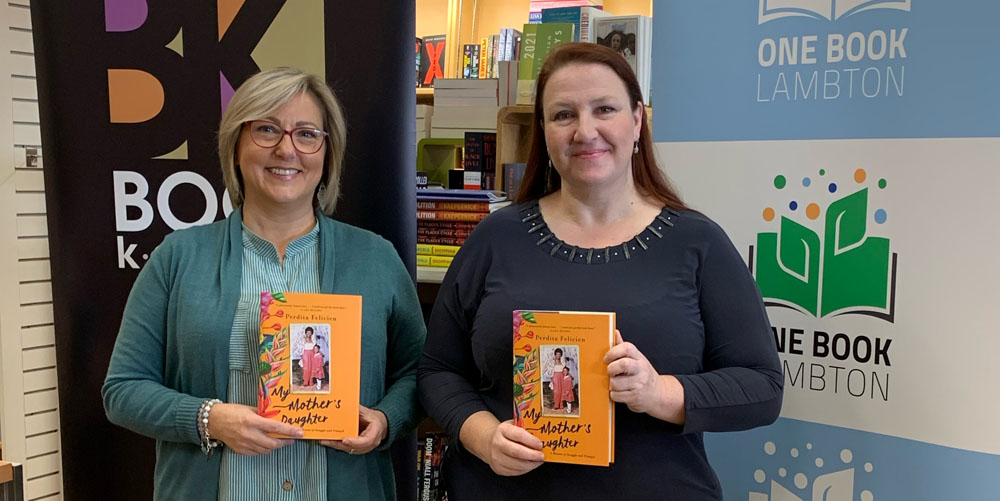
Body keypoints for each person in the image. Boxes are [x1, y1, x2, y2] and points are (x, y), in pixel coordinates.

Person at [418, 42, 782, 500]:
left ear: (637, 121)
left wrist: (660, 392)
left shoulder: (697, 243)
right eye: (563, 115)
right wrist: (483, 437)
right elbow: (437, 370)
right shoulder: (495, 237)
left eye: (604, 109)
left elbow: (762, 387)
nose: (584, 131)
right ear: (545, 132)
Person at [103, 67, 426, 500]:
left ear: (327, 153)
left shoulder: (376, 258)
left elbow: (420, 372)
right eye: (266, 129)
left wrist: (385, 420)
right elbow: (123, 390)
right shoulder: (177, 257)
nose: (286, 149)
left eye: (307, 134)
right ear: (235, 144)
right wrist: (210, 419)